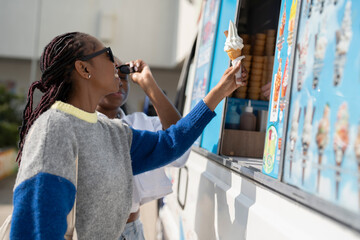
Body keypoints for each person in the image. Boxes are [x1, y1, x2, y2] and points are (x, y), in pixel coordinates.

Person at [10, 32, 245, 240]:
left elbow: (171, 143)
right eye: (107, 54)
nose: (117, 64)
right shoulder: (54, 129)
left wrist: (220, 91)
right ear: (84, 69)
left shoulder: (113, 132)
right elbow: (38, 227)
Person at [96, 58, 190, 240]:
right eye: (110, 74)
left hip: (132, 230)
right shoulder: (79, 126)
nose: (119, 81)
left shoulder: (138, 124)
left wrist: (149, 85)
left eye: (123, 75)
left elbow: (181, 149)